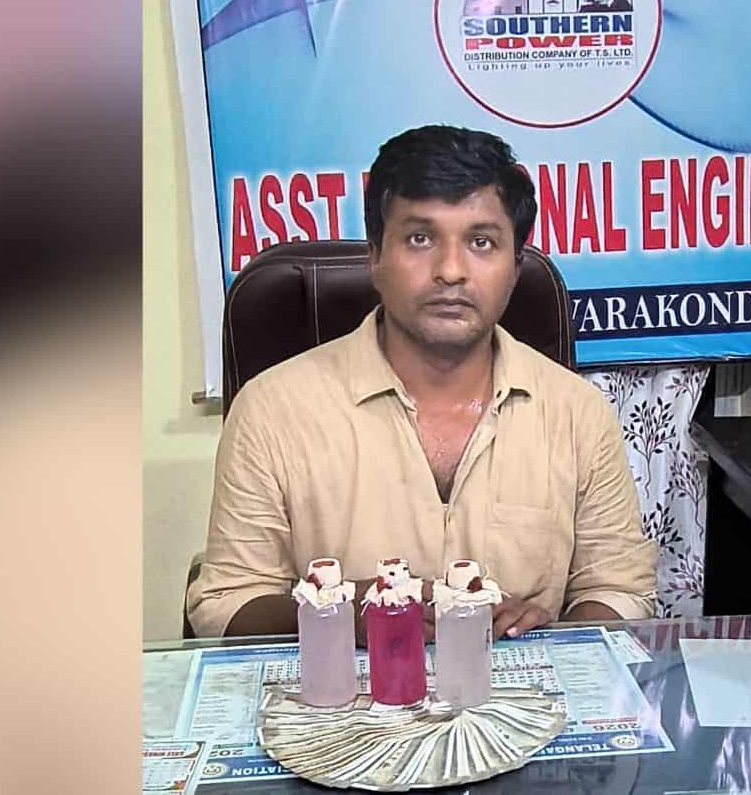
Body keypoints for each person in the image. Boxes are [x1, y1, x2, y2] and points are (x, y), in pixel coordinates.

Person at [186, 125, 656, 641]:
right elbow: (227, 604)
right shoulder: (272, 409)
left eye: (481, 242)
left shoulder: (576, 413)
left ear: (515, 268)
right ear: (375, 257)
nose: (450, 271)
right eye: (420, 239)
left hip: (518, 689)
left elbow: (621, 592)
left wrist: (557, 636)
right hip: (344, 690)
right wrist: (338, 614)